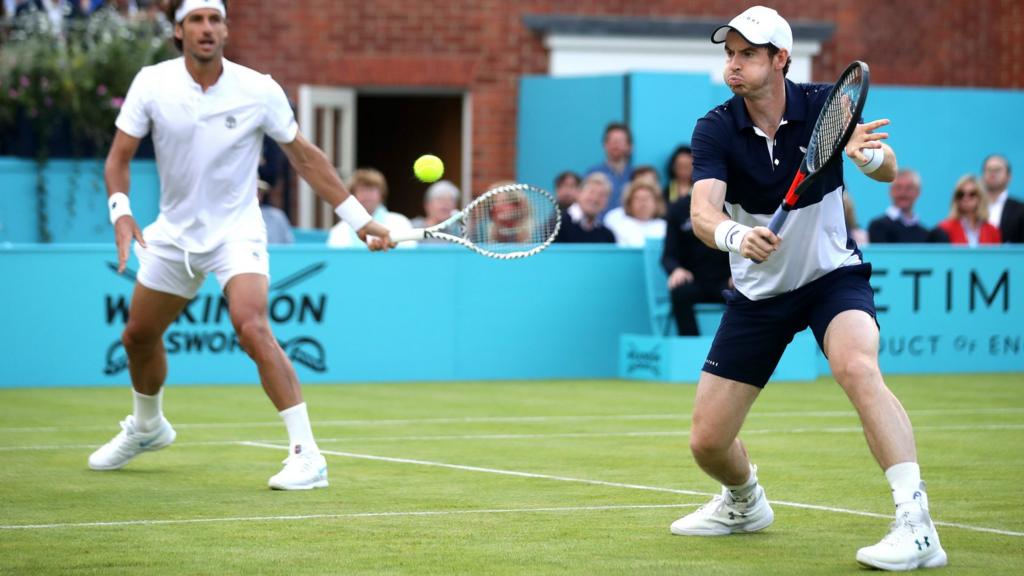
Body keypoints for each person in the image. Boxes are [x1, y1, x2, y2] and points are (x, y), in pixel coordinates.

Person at [672, 6, 947, 571]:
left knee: (858, 367)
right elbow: (703, 213)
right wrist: (734, 234)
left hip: (830, 278)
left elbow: (889, 167)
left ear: (780, 59)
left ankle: (916, 524)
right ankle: (745, 503)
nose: (734, 64)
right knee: (707, 443)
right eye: (730, 53)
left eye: (748, 54)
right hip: (759, 294)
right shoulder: (716, 127)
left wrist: (868, 156)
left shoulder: (827, 105)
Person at [91, 0, 394, 491]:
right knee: (136, 337)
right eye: (196, 20)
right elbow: (118, 158)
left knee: (250, 324)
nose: (206, 28)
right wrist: (121, 211)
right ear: (179, 31)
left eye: (215, 19)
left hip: (237, 231)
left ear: (226, 30)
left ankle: (307, 455)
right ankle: (148, 427)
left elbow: (305, 157)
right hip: (173, 233)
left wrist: (358, 218)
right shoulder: (152, 83)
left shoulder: (258, 88)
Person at [661, 195, 730, 336]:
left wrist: (739, 274)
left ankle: (737, 347)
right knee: (680, 293)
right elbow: (668, 256)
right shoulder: (678, 208)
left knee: (746, 293)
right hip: (694, 280)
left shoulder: (735, 205)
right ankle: (690, 344)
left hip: (727, 281)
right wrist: (676, 270)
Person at [327, 168, 414, 248]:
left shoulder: (400, 223)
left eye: (372, 190)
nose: (367, 195)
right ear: (353, 195)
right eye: (362, 190)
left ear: (382, 194)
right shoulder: (339, 231)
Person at [867, 169, 948, 243]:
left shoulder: (926, 235)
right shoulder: (878, 227)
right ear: (890, 191)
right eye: (898, 188)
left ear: (918, 192)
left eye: (909, 188)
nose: (903, 193)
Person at [937, 175, 1001, 246]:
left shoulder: (992, 231)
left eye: (972, 194)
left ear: (980, 197)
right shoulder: (944, 229)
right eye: (961, 194)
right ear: (956, 198)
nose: (966, 198)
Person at [584, 122, 633, 215]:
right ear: (604, 145)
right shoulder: (592, 173)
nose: (616, 145)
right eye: (612, 140)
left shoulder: (636, 175)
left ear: (630, 146)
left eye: (620, 141)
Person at [555, 172, 616, 243]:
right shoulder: (557, 224)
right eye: (591, 192)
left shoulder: (607, 235)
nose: (595, 198)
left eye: (602, 195)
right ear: (579, 193)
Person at [604, 180, 667, 248]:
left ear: (656, 203)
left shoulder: (665, 227)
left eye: (647, 198)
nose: (643, 203)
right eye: (637, 199)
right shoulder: (617, 226)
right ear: (629, 203)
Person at [981, 154, 1024, 243]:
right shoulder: (972, 206)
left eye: (997, 170)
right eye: (988, 170)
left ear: (1009, 176)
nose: (992, 173)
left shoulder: (1020, 209)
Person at [410, 179, 460, 244]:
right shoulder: (412, 228)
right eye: (440, 199)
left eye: (451, 200)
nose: (446, 203)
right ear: (427, 204)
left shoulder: (458, 232)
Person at [258, 179, 294, 244]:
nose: (256, 195)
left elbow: (289, 245)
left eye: (258, 191)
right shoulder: (236, 216)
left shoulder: (277, 216)